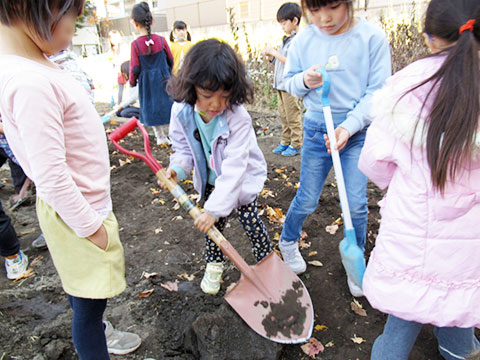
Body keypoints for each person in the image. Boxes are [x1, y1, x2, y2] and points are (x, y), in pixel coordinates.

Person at [0, 1, 141, 358]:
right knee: (89, 310)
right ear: (38, 10)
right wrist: (93, 228)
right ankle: (96, 343)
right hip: (79, 215)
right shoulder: (30, 82)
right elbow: (50, 174)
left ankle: (99, 333)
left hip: (80, 209)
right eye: (71, 20)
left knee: (86, 299)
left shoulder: (35, 65)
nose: (71, 31)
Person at [357, 0, 480, 358]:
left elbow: (374, 162)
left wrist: (399, 181)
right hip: (468, 246)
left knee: (403, 318)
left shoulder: (406, 87)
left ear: (429, 38)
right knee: (458, 306)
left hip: (413, 237)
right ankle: (461, 353)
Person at [278, 0, 391, 297]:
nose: (324, 18)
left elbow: (378, 91)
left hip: (356, 132)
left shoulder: (371, 38)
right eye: (314, 11)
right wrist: (304, 80)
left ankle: (355, 261)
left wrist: (349, 126)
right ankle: (288, 241)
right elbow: (288, 81)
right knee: (308, 198)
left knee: (355, 203)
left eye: (332, 8)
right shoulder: (304, 40)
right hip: (317, 130)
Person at [160, 39, 273, 295]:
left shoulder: (238, 118)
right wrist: (177, 168)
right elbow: (183, 149)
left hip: (240, 182)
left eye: (224, 96)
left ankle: (267, 264)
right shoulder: (181, 112)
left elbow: (235, 168)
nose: (216, 104)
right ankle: (214, 265)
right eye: (207, 95)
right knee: (212, 229)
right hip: (211, 180)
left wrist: (212, 209)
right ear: (191, 88)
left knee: (251, 222)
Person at [262, 2, 303, 157]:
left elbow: (292, 62)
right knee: (283, 116)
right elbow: (280, 61)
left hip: (290, 86)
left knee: (292, 116)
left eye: (284, 23)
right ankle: (285, 142)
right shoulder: (285, 40)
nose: (282, 27)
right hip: (280, 84)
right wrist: (271, 56)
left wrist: (275, 53)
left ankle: (296, 144)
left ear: (294, 21)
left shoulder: (298, 41)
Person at [130, 2, 174, 145]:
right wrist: (168, 71)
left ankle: (160, 136)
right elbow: (170, 59)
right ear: (152, 20)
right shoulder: (161, 40)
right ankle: (174, 134)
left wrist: (132, 81)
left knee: (152, 106)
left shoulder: (135, 45)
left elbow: (135, 67)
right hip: (163, 78)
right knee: (168, 105)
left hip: (147, 82)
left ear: (135, 23)